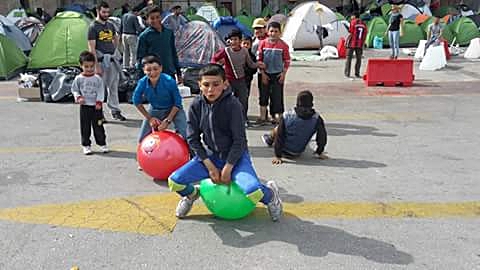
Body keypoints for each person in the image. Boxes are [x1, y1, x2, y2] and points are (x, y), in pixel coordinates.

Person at [168, 64, 283, 221]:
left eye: (216, 84)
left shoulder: (233, 105)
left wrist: (227, 168)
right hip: (210, 157)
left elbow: (240, 141)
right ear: (199, 85)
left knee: (253, 191)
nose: (211, 90)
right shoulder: (196, 105)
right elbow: (192, 138)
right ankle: (191, 195)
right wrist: (210, 166)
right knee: (174, 181)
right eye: (206, 85)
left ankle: (271, 196)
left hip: (236, 158)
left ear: (224, 84)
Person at [261, 90, 328, 165]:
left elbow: (280, 135)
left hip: (283, 150)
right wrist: (319, 151)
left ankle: (269, 139)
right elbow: (322, 136)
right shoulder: (317, 118)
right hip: (298, 151)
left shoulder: (287, 115)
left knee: (278, 128)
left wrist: (278, 156)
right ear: (312, 103)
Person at [133, 55, 187, 144]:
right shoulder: (142, 82)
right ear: (144, 70)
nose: (153, 72)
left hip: (174, 109)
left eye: (155, 69)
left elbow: (177, 103)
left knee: (187, 135)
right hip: (155, 108)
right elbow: (136, 101)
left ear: (161, 68)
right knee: (142, 140)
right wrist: (149, 118)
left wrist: (168, 120)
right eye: (148, 70)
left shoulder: (169, 81)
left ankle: (194, 156)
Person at [88, 1, 127, 121]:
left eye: (107, 12)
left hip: (111, 60)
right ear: (98, 11)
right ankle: (99, 113)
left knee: (113, 87)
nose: (106, 14)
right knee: (99, 88)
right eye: (103, 12)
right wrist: (96, 65)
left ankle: (115, 110)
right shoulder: (93, 27)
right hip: (100, 61)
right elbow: (91, 47)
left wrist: (115, 51)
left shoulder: (110, 25)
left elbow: (115, 38)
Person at [212, 29, 259, 124]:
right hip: (228, 81)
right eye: (231, 39)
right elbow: (214, 59)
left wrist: (259, 64)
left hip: (241, 80)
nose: (233, 42)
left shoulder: (244, 51)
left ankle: (243, 119)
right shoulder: (226, 51)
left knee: (243, 100)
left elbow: (250, 64)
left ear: (240, 41)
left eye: (236, 39)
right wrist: (218, 71)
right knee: (226, 100)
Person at [71, 51, 109, 155]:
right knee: (85, 126)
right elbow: (74, 89)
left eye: (91, 66)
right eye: (86, 66)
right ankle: (86, 145)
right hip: (85, 106)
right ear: (81, 66)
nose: (89, 69)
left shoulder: (97, 79)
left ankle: (102, 144)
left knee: (98, 125)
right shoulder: (78, 78)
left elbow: (101, 90)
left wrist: (99, 101)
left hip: (96, 107)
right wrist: (78, 97)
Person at [137, 6, 183, 84]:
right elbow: (141, 59)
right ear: (147, 20)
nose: (155, 20)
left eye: (157, 17)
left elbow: (173, 53)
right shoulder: (144, 36)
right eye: (152, 18)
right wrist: (142, 80)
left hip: (169, 73)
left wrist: (178, 73)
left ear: (161, 17)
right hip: (153, 75)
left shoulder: (169, 33)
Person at [257, 21, 291, 124]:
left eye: (276, 31)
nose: (273, 33)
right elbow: (259, 59)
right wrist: (262, 73)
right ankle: (263, 117)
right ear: (267, 31)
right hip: (264, 74)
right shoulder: (263, 43)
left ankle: (278, 117)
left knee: (277, 96)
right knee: (263, 95)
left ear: (280, 33)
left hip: (277, 74)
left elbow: (287, 60)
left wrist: (283, 74)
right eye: (271, 31)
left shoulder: (283, 45)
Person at [251, 18, 268, 124]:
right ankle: (264, 115)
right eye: (256, 29)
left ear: (265, 29)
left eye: (260, 29)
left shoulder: (267, 41)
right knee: (263, 93)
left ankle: (265, 117)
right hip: (258, 71)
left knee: (266, 94)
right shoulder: (254, 39)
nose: (257, 31)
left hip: (266, 72)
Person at [344, 12, 367, 78]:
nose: (351, 17)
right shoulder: (363, 23)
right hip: (360, 44)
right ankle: (357, 73)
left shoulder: (353, 22)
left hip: (352, 43)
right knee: (358, 59)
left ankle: (347, 73)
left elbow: (351, 31)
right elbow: (365, 34)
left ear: (354, 16)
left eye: (351, 16)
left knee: (348, 58)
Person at [241, 36, 257, 114]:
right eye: (244, 43)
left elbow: (254, 70)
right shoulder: (237, 54)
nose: (246, 45)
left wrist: (248, 69)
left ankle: (244, 116)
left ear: (251, 45)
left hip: (247, 81)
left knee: (245, 98)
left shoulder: (252, 56)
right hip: (237, 81)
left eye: (248, 44)